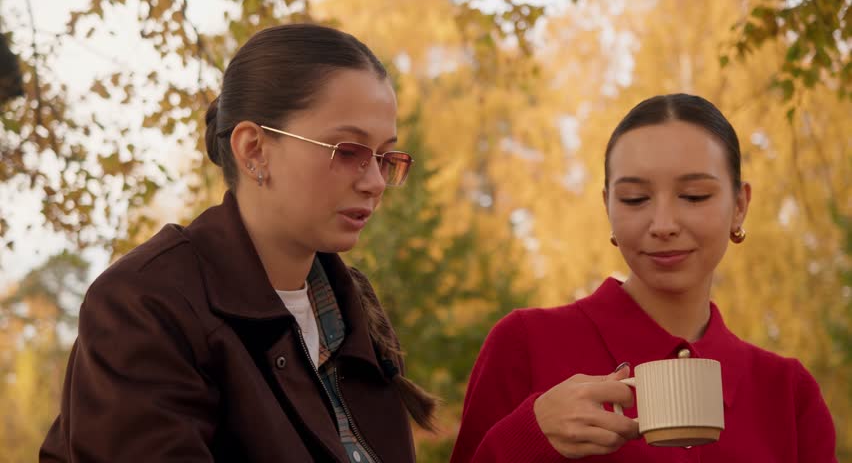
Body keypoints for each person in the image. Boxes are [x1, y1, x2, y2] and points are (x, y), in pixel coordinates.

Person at [39, 23, 437, 463]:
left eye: (387, 158)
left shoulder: (351, 307)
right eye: (348, 151)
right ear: (254, 150)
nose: (376, 182)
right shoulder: (145, 305)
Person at [449, 94, 836, 462]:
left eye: (694, 195)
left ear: (739, 206)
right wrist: (529, 436)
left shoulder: (787, 392)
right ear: (608, 207)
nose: (663, 225)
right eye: (635, 199)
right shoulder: (525, 344)